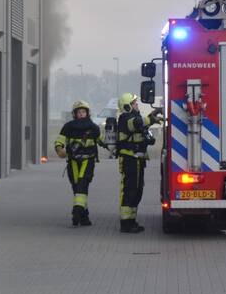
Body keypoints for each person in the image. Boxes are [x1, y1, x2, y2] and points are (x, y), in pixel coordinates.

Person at [116, 92, 164, 233]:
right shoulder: (125, 118)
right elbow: (137, 123)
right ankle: (125, 222)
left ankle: (131, 220)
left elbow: (142, 128)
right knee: (130, 189)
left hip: (137, 160)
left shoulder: (134, 117)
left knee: (137, 190)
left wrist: (152, 115)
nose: (137, 105)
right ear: (127, 107)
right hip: (129, 159)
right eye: (134, 103)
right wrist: (151, 119)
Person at [53, 99, 106, 226]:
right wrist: (59, 149)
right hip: (73, 161)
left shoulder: (93, 127)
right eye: (79, 112)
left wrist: (114, 145)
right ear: (74, 114)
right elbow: (59, 140)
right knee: (78, 188)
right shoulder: (68, 127)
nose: (81, 114)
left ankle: (77, 211)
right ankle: (84, 216)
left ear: (87, 113)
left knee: (82, 183)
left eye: (83, 112)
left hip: (88, 159)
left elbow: (101, 140)